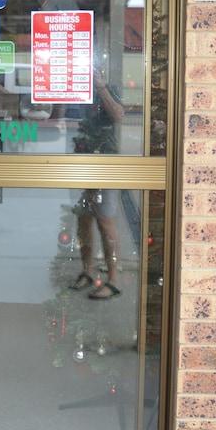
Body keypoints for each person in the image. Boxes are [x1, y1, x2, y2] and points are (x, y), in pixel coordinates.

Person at [69, 70, 125, 300]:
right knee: (83, 218)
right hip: (84, 161)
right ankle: (88, 271)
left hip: (106, 163)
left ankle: (113, 281)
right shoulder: (79, 90)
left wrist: (100, 87)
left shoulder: (108, 88)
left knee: (105, 221)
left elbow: (119, 115)